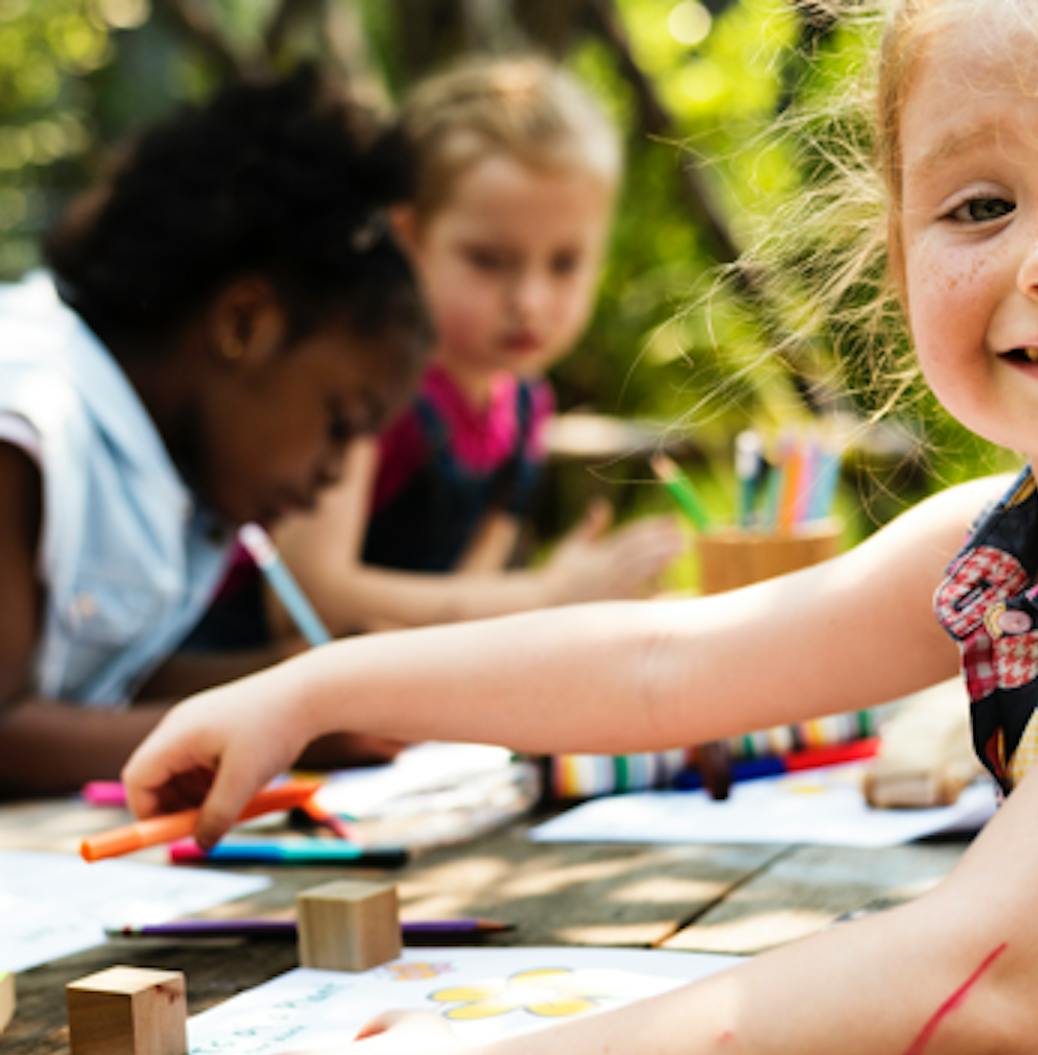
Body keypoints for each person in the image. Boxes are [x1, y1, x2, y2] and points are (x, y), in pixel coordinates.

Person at [123, 0, 1038, 1055]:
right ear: (898, 254)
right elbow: (670, 663)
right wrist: (319, 685)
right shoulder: (999, 545)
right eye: (981, 206)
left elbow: (974, 988)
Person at [0, 67, 430, 795]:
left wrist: (309, 678)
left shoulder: (151, 463)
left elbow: (98, 683)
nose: (336, 472)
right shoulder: (29, 421)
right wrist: (290, 721)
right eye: (339, 423)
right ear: (243, 326)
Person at [194, 56, 681, 645]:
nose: (529, 302)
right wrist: (545, 595)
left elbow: (470, 606)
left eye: (564, 264)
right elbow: (306, 595)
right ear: (409, 238)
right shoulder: (367, 392)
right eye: (488, 260)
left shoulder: (524, 409)